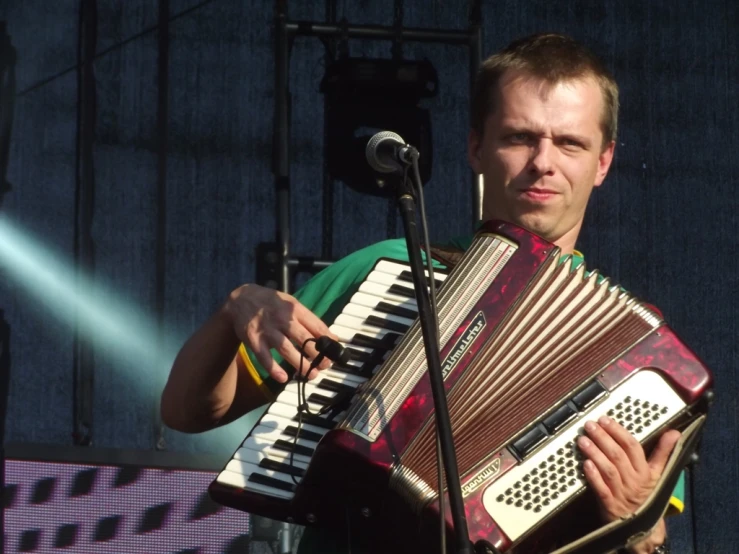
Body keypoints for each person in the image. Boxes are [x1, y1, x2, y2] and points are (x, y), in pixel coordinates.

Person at [161, 33, 682, 554]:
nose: (543, 162)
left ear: (605, 161)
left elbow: (647, 537)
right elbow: (188, 412)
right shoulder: (384, 269)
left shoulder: (636, 354)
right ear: (476, 146)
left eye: (570, 143)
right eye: (520, 137)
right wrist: (233, 311)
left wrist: (642, 531)